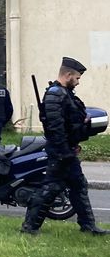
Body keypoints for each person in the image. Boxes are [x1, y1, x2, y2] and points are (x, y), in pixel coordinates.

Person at [21, 57, 108, 235]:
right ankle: (29, 227)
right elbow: (55, 128)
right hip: (61, 151)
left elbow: (70, 123)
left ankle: (88, 226)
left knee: (78, 185)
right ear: (68, 75)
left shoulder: (64, 93)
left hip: (67, 149)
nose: (77, 82)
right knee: (51, 188)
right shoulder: (55, 94)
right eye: (76, 78)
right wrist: (64, 152)